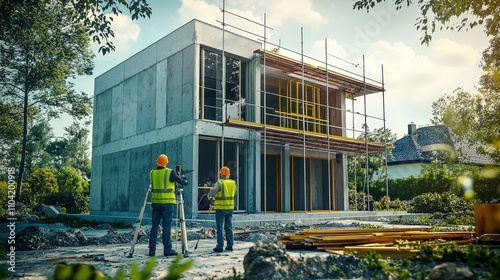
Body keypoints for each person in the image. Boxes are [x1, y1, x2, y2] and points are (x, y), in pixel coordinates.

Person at [149, 154, 188, 257]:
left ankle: (151, 250)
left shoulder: (152, 173)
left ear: (157, 162)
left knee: (154, 226)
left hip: (156, 203)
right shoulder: (169, 172)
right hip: (167, 203)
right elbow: (182, 182)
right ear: (166, 163)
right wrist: (184, 179)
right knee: (166, 226)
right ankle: (167, 250)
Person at [208, 166, 237, 252]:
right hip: (230, 208)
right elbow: (234, 193)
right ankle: (230, 245)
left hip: (220, 208)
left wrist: (209, 197)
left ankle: (220, 246)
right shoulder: (233, 183)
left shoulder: (220, 183)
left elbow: (212, 192)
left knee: (220, 227)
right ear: (228, 174)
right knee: (229, 226)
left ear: (221, 174)